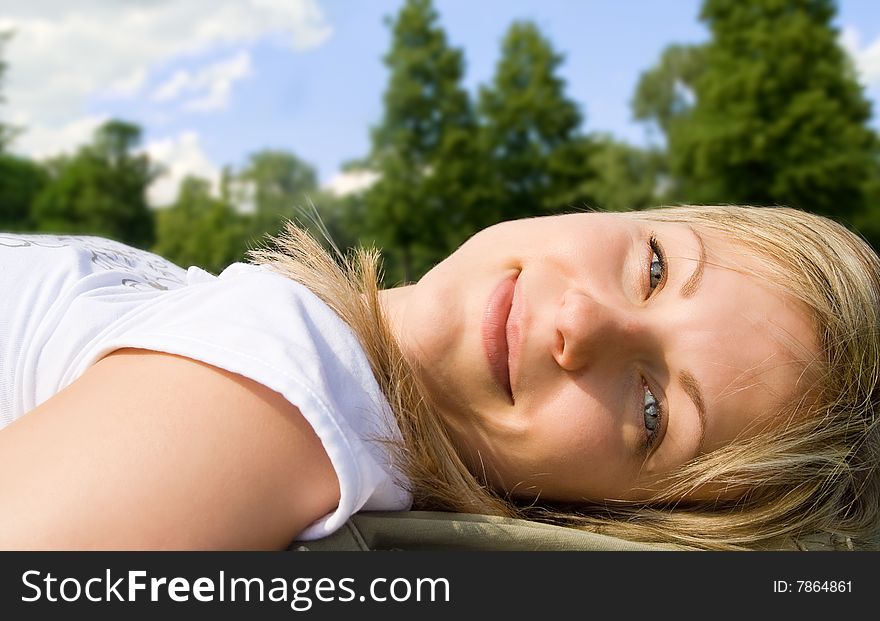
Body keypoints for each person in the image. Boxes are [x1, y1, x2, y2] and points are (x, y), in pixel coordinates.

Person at [0, 204, 877, 551]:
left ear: (612, 514)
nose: (583, 322)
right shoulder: (295, 352)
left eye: (652, 408)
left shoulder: (295, 390)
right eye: (652, 266)